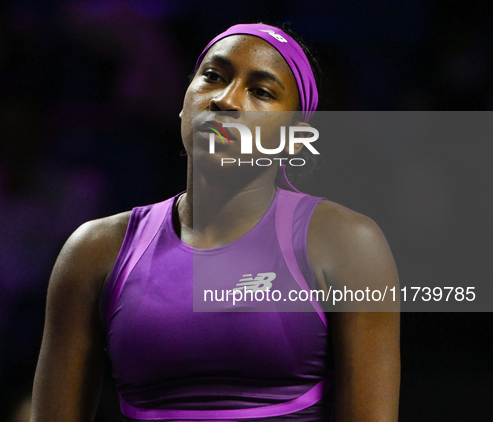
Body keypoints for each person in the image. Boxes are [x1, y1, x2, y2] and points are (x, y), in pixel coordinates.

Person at [31, 23, 400, 422]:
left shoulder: (348, 244)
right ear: (184, 101)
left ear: (295, 139)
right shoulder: (93, 252)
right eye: (213, 76)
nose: (225, 100)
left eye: (260, 91)